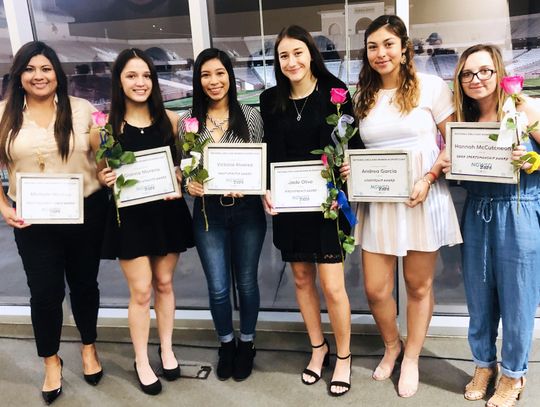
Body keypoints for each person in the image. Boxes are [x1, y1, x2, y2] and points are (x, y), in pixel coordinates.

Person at [352, 15, 462, 398]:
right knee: (375, 289)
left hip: (421, 195)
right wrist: (353, 167)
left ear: (403, 48)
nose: (380, 53)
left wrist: (429, 177)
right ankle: (392, 345)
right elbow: (359, 151)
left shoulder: (430, 87)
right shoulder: (361, 96)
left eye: (387, 45)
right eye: (372, 47)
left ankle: (411, 356)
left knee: (418, 285)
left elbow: (455, 143)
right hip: (380, 203)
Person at [0, 41, 107, 404]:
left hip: (85, 213)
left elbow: (104, 156)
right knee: (44, 294)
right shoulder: (3, 114)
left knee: (84, 286)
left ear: (57, 74)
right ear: (19, 76)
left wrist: (111, 171)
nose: (38, 76)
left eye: (45, 68)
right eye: (29, 69)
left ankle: (89, 347)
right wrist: (2, 206)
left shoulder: (81, 110)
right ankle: (51, 360)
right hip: (33, 220)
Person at [260, 25, 362, 397]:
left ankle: (345, 355)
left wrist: (351, 166)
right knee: (302, 280)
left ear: (310, 54)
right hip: (290, 204)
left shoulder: (336, 95)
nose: (291, 61)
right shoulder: (271, 100)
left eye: (298, 53)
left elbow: (354, 145)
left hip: (328, 205)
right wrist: (264, 190)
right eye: (283, 55)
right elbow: (269, 156)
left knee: (333, 286)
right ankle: (318, 349)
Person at [93, 48, 194, 395]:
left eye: (146, 76)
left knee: (164, 284)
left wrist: (180, 176)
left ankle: (166, 348)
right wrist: (104, 178)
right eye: (131, 76)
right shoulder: (106, 129)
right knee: (141, 290)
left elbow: (185, 165)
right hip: (130, 219)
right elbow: (100, 172)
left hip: (166, 215)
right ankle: (140, 359)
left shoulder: (171, 120)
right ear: (119, 81)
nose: (140, 83)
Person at [448, 44, 540, 406]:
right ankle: (484, 364)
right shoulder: (462, 121)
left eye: (484, 71)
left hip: (518, 210)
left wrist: (535, 159)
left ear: (498, 72)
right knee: (479, 296)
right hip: (477, 211)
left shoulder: (524, 108)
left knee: (518, 297)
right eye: (468, 73)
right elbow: (446, 161)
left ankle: (513, 374)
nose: (476, 79)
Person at [180, 48, 266, 381]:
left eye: (219, 73)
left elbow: (262, 164)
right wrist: (190, 183)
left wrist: (251, 184)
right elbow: (185, 166)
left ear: (230, 75)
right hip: (207, 214)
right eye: (205, 75)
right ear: (198, 80)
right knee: (217, 287)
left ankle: (247, 343)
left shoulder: (251, 116)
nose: (214, 81)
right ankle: (226, 343)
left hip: (247, 212)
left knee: (246, 282)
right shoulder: (189, 121)